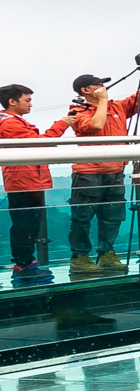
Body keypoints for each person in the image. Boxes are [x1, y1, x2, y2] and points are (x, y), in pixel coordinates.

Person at [64, 70, 140, 278]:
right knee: (83, 217)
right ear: (85, 90)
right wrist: (103, 101)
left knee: (112, 216)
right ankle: (79, 258)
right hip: (88, 172)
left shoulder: (118, 107)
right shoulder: (78, 112)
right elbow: (96, 125)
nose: (102, 88)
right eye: (97, 85)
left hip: (115, 170)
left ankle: (107, 253)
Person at [1, 83, 67, 286]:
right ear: (12, 101)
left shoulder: (13, 121)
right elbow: (40, 143)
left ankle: (26, 264)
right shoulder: (10, 124)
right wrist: (63, 123)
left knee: (28, 225)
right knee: (26, 225)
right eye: (27, 100)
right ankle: (24, 266)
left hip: (28, 180)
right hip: (24, 181)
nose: (31, 104)